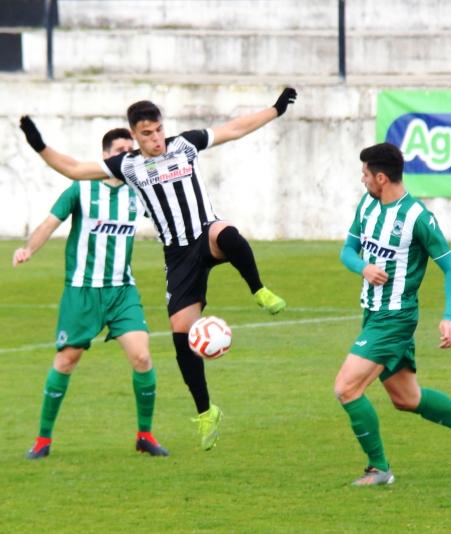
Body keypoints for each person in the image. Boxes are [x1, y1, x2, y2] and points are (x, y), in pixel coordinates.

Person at [18, 87, 298, 450]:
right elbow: (72, 168)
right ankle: (205, 411)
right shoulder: (128, 165)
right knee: (182, 339)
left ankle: (258, 289)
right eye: (146, 134)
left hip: (204, 233)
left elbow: (234, 129)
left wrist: (275, 109)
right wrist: (38, 143)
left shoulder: (185, 144)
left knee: (228, 234)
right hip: (179, 257)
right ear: (135, 136)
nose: (156, 139)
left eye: (158, 130)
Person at [334, 142, 451, 486]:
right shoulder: (367, 206)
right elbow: (347, 251)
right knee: (407, 398)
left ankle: (378, 468)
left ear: (381, 177)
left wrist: (450, 317)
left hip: (395, 319)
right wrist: (364, 268)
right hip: (371, 314)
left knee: (346, 388)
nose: (362, 180)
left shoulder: (417, 218)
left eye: (365, 174)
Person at [15, 128, 169, 460]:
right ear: (104, 156)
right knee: (67, 360)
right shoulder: (81, 189)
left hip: (121, 291)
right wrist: (28, 249)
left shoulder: (138, 191)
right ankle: (43, 440)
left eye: (131, 150)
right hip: (82, 292)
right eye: (119, 150)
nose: (126, 155)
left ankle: (145, 435)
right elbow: (48, 224)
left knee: (142, 357)